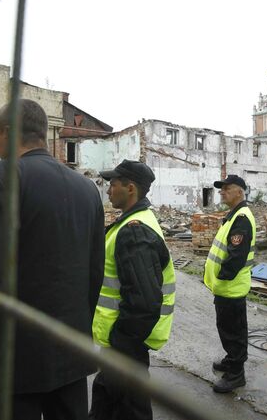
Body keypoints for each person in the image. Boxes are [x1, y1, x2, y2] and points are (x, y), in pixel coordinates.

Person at [0, 99, 105, 420]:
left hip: (13, 368)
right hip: (70, 357)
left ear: (6, 131)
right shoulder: (87, 189)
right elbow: (94, 274)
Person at [90, 160, 176, 420]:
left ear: (130, 188)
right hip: (120, 341)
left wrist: (121, 343)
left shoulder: (134, 231)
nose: (108, 190)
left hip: (125, 343)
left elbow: (144, 301)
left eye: (112, 184)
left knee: (130, 409)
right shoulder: (132, 222)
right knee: (108, 399)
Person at [203, 174, 256, 393]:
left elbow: (236, 256)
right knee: (227, 328)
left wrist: (222, 276)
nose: (222, 192)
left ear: (240, 192)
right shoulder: (234, 215)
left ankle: (236, 374)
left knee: (233, 331)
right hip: (225, 287)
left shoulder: (241, 218)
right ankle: (231, 360)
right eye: (221, 189)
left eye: (227, 188)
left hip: (231, 287)